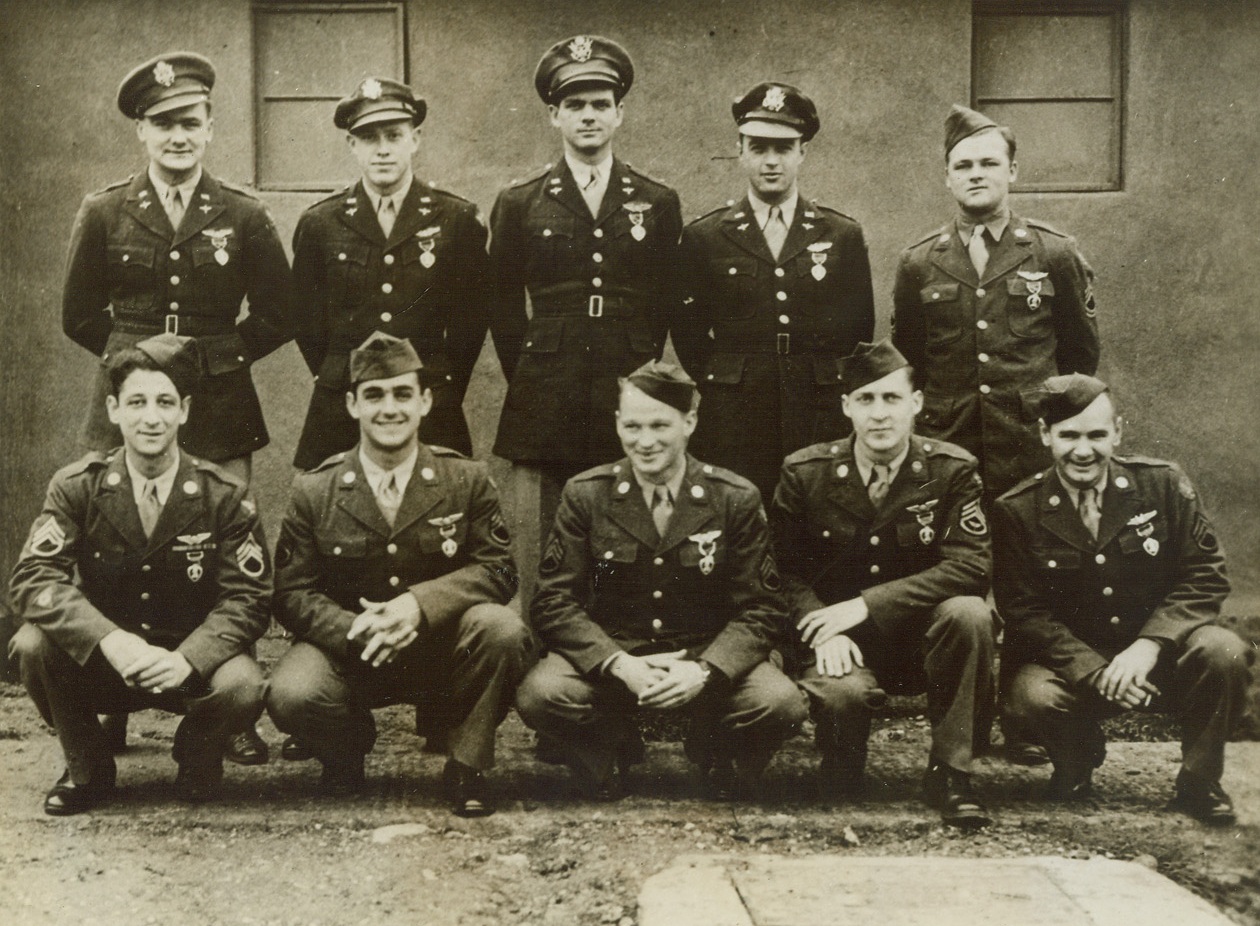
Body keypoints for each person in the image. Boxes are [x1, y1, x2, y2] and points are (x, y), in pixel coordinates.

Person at [62, 52, 290, 765]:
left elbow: (281, 311)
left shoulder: (242, 213)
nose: (178, 135)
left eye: (190, 121)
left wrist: (216, 359)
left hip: (218, 400)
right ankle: (109, 704)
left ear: (211, 126)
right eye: (163, 123)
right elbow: (78, 314)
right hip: (131, 404)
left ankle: (233, 710)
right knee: (114, 543)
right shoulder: (105, 210)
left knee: (230, 551)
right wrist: (132, 369)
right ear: (142, 131)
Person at [267, 332, 531, 816]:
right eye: (374, 395)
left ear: (425, 402)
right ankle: (345, 751)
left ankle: (467, 765)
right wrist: (355, 629)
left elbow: (499, 570)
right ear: (352, 405)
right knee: (292, 691)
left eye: (402, 394)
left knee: (502, 630)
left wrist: (418, 605)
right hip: (353, 652)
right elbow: (291, 592)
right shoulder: (315, 489)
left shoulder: (466, 479)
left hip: (440, 650)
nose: (389, 409)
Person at [516, 360, 806, 801]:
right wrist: (618, 663)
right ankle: (608, 746)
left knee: (780, 703)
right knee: (542, 694)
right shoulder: (586, 494)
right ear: (617, 422)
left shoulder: (734, 498)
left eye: (659, 425)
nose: (645, 441)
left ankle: (717, 748)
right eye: (632, 426)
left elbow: (763, 608)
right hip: (616, 655)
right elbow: (554, 601)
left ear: (690, 422)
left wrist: (705, 671)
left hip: (704, 656)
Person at [9, 334, 271, 814]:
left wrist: (189, 658)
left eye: (165, 402)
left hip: (190, 669)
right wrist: (109, 639)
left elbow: (249, 598)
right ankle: (88, 766)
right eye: (137, 402)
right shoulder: (78, 486)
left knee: (243, 684)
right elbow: (33, 577)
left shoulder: (223, 494)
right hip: (111, 662)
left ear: (184, 411)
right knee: (32, 645)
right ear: (113, 410)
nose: (151, 417)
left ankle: (197, 755)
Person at [993, 374, 1251, 825]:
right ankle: (1076, 762)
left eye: (1096, 435)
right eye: (1069, 436)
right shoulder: (1017, 509)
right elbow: (1023, 610)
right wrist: (1092, 669)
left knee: (1222, 650)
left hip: (1159, 661)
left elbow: (1204, 576)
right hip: (1074, 669)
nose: (1083, 450)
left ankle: (1199, 781)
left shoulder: (1163, 485)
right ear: (1045, 435)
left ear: (1117, 432)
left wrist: (1149, 645)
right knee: (1032, 693)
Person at [488, 34, 683, 611]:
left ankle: (623, 633)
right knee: (543, 534)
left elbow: (666, 298)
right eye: (575, 105)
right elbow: (501, 305)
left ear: (620, 112)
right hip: (546, 388)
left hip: (626, 381)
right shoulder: (521, 202)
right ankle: (540, 638)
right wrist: (531, 370)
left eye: (601, 104)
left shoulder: (657, 200)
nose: (589, 116)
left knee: (626, 520)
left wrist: (641, 369)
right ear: (554, 115)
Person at [771, 340, 995, 827]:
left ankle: (952, 772)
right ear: (845, 406)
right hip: (838, 641)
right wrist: (822, 628)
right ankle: (842, 754)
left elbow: (971, 566)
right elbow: (781, 572)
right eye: (865, 399)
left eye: (891, 398)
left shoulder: (951, 470)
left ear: (916, 403)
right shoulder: (805, 473)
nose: (879, 414)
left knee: (969, 614)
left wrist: (867, 605)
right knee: (844, 707)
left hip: (920, 641)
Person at [673, 81, 874, 503]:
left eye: (783, 149)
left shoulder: (841, 234)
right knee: (739, 509)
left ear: (803, 152)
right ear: (740, 150)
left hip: (817, 407)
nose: (770, 161)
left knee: (817, 509)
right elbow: (688, 333)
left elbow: (858, 329)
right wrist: (722, 381)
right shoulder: (705, 236)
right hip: (735, 411)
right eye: (758, 148)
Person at [891, 104, 1099, 505]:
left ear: (1012, 171)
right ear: (947, 177)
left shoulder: (1053, 252)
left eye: (989, 163)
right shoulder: (918, 261)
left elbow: (1080, 357)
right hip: (948, 445)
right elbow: (909, 359)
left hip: (1028, 444)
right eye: (963, 165)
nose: (976, 174)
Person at [290, 77, 490, 471]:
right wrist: (341, 374)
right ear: (352, 144)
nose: (382, 149)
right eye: (369, 138)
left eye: (394, 136)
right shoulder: (320, 222)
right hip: (342, 402)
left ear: (415, 139)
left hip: (428, 400)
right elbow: (306, 320)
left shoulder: (456, 218)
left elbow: (471, 321)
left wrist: (439, 382)